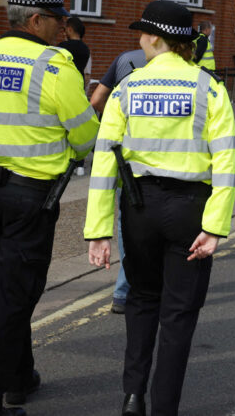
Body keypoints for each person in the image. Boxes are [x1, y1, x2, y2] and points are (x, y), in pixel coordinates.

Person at [85, 0, 235, 416]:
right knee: (179, 311)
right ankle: (164, 407)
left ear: (153, 37)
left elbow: (104, 161)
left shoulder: (128, 87)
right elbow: (225, 161)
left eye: (141, 33)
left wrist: (98, 230)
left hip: (139, 208)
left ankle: (133, 395)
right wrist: (216, 224)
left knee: (141, 299)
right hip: (190, 207)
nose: (138, 40)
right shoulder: (209, 87)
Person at [0, 0, 99, 416]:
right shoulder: (54, 65)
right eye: (58, 20)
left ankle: (19, 378)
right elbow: (84, 136)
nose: (64, 29)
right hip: (30, 195)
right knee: (12, 299)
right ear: (36, 20)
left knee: (9, 285)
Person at [88, 47, 148, 314]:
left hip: (127, 167)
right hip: (171, 176)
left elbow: (97, 99)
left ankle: (123, 293)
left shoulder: (124, 59)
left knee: (128, 232)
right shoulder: (188, 69)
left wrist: (113, 120)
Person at [57, 16, 91, 87]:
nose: (64, 33)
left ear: (70, 29)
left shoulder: (63, 47)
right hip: (79, 84)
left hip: (64, 84)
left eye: (65, 30)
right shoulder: (86, 49)